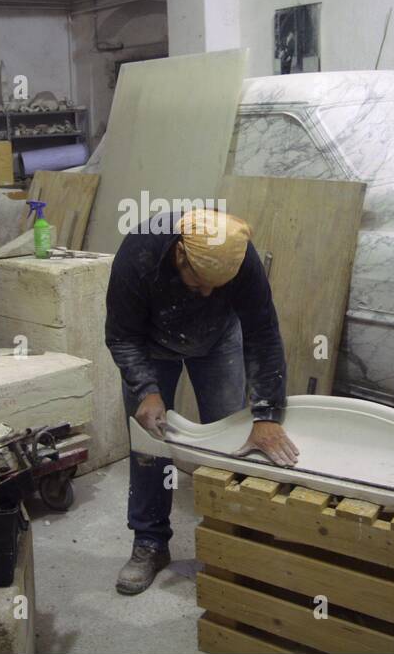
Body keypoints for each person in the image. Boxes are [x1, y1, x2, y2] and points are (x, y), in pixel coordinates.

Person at [105, 208, 297, 595]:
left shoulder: (239, 258)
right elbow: (121, 336)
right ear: (180, 254)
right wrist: (146, 389)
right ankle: (150, 542)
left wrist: (265, 414)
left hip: (218, 341)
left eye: (218, 286)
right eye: (200, 284)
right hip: (151, 347)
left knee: (230, 445)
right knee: (151, 445)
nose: (209, 292)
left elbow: (263, 335)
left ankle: (230, 544)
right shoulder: (139, 252)